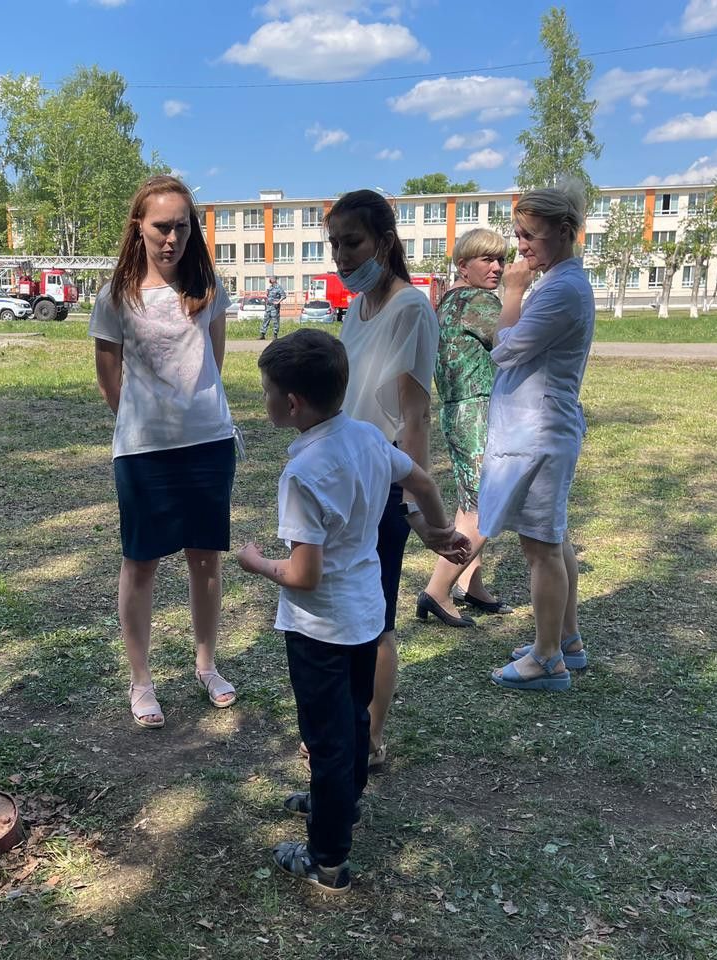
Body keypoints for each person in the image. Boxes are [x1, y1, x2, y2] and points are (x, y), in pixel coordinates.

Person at [237, 329, 467, 894]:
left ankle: (327, 857)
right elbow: (422, 478)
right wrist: (437, 530)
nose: (265, 399)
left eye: (267, 391)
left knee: (327, 737)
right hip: (365, 616)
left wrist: (257, 562)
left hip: (319, 629)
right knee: (355, 721)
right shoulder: (365, 437)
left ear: (291, 404)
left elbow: (304, 574)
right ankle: (341, 803)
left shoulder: (303, 476)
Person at [90, 174, 238, 728]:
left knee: (205, 560)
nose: (171, 237)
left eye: (181, 225)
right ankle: (142, 681)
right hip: (143, 451)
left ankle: (206, 665)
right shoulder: (116, 296)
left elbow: (214, 362)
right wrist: (145, 421)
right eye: (161, 226)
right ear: (139, 227)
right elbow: (109, 378)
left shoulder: (207, 285)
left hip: (209, 442)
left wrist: (191, 411)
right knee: (141, 563)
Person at [318, 189, 440, 771]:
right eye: (335, 243)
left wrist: (415, 504)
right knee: (341, 609)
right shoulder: (358, 307)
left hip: (383, 485)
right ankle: (345, 728)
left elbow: (413, 416)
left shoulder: (410, 308)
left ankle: (367, 738)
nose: (342, 255)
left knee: (376, 618)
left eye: (353, 242)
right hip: (344, 483)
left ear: (385, 242)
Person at [475, 183, 594, 691]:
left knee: (540, 547)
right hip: (541, 429)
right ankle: (566, 640)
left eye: (530, 236)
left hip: (540, 433)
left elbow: (504, 349)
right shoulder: (560, 282)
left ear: (564, 233)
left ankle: (547, 660)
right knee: (555, 538)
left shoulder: (559, 289)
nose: (520, 248)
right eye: (518, 235)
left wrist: (513, 293)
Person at [416, 228, 514, 626]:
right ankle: (437, 591)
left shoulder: (449, 302)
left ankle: (469, 584)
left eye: (501, 260)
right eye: (486, 260)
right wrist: (518, 296)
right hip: (477, 410)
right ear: (463, 266)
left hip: (458, 411)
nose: (497, 268)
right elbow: (516, 341)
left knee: (469, 502)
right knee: (487, 503)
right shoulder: (478, 301)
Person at [260, 275, 286, 340]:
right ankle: (262, 335)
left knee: (275, 321)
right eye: (270, 279)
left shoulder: (278, 287)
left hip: (274, 307)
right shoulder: (270, 287)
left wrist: (278, 302)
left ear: (274, 279)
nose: (270, 280)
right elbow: (268, 296)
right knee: (265, 320)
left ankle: (275, 335)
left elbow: (284, 296)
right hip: (269, 306)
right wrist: (267, 294)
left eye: (271, 279)